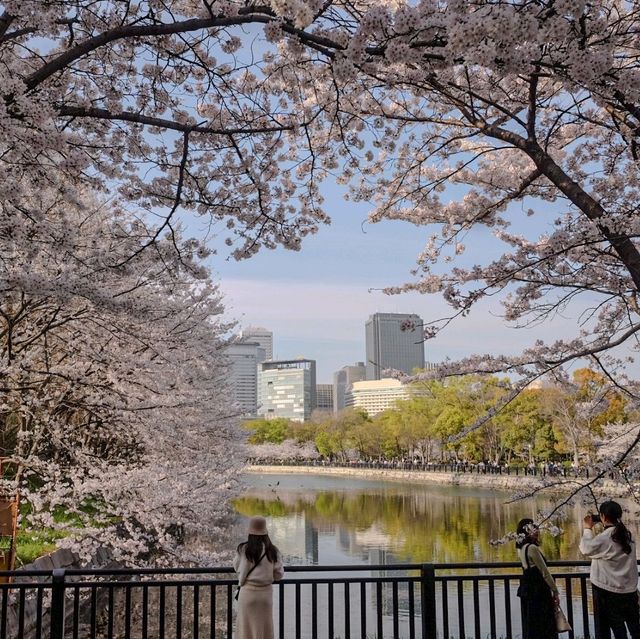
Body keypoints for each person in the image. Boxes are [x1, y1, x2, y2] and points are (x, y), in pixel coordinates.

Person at [580, 501, 640, 639]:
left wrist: (588, 529)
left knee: (618, 630)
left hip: (609, 592)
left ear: (603, 517)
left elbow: (585, 548)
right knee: (635, 629)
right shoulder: (628, 535)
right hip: (629, 591)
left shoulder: (605, 538)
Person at [233, 515, 284, 639]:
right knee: (264, 629)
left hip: (247, 594)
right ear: (265, 532)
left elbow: (236, 567)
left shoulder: (244, 549)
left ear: (250, 531)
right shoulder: (272, 551)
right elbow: (278, 575)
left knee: (245, 630)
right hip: (265, 596)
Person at [516, 518, 560, 639]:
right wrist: (555, 591)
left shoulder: (521, 549)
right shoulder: (532, 548)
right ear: (526, 531)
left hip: (528, 590)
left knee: (532, 624)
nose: (537, 531)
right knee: (545, 624)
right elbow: (544, 572)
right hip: (539, 591)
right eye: (533, 528)